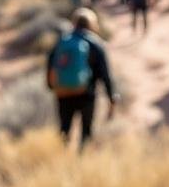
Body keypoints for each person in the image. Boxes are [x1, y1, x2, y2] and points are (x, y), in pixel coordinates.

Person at [44, 8, 117, 148]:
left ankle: (62, 157)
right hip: (86, 94)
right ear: (92, 24)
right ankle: (82, 158)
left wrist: (53, 86)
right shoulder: (95, 43)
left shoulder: (63, 41)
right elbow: (105, 75)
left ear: (74, 23)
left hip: (63, 92)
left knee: (64, 129)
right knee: (86, 131)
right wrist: (111, 98)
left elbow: (50, 63)